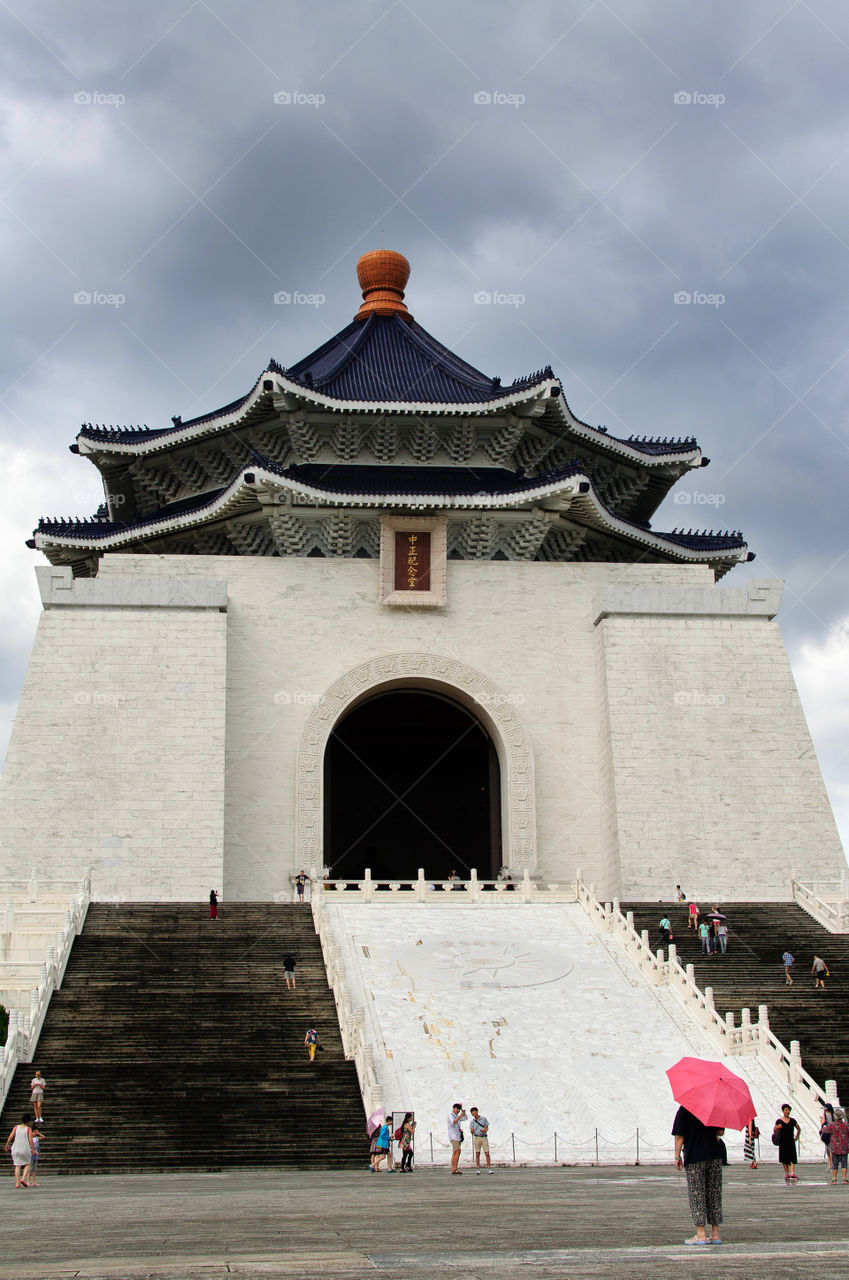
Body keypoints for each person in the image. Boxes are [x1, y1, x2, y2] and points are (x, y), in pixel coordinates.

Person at [672, 1105, 724, 1245]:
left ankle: (701, 1234)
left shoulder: (685, 1109)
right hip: (714, 1155)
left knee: (697, 1194)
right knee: (714, 1193)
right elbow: (720, 1131)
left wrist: (677, 1156)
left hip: (695, 1156)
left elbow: (679, 1135)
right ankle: (715, 1233)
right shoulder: (713, 1107)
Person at [4, 1114, 34, 1189]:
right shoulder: (28, 1129)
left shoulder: (16, 1127)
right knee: (28, 1163)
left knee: (17, 1166)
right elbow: (30, 1140)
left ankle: (17, 1183)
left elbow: (10, 1136)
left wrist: (7, 1144)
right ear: (29, 1121)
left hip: (16, 1148)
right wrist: (32, 1148)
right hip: (25, 1149)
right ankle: (23, 1178)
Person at [773, 1104, 801, 1180]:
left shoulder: (792, 1121)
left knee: (791, 1157)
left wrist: (797, 1137)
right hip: (783, 1141)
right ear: (783, 1111)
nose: (787, 1112)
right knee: (784, 1158)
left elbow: (799, 1128)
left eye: (788, 1110)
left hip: (790, 1141)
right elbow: (774, 1130)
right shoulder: (779, 1121)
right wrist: (778, 1127)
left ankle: (792, 1173)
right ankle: (787, 1173)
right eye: (786, 1110)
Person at [821, 1107, 849, 1184]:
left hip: (835, 1147)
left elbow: (824, 1130)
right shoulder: (846, 1125)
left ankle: (834, 1179)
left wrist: (822, 1123)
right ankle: (844, 1179)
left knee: (835, 1164)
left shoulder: (832, 1125)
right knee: (844, 1164)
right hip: (844, 1147)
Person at [469, 1107, 492, 1174]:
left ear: (477, 1111)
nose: (474, 1114)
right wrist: (472, 1131)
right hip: (477, 1137)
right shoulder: (472, 1122)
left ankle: (489, 1168)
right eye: (472, 1113)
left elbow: (487, 1127)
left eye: (474, 1112)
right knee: (477, 1153)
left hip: (484, 1137)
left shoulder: (483, 1119)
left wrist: (485, 1130)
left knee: (487, 1153)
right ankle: (478, 1168)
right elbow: (472, 1131)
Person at [447, 1103, 467, 1175]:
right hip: (453, 1136)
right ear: (454, 1108)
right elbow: (453, 1122)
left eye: (459, 1109)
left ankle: (455, 1168)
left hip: (457, 1136)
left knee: (457, 1151)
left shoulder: (457, 1116)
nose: (458, 1111)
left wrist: (462, 1111)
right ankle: (454, 1168)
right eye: (457, 1109)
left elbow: (465, 1118)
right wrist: (459, 1116)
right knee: (457, 1151)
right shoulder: (450, 1116)